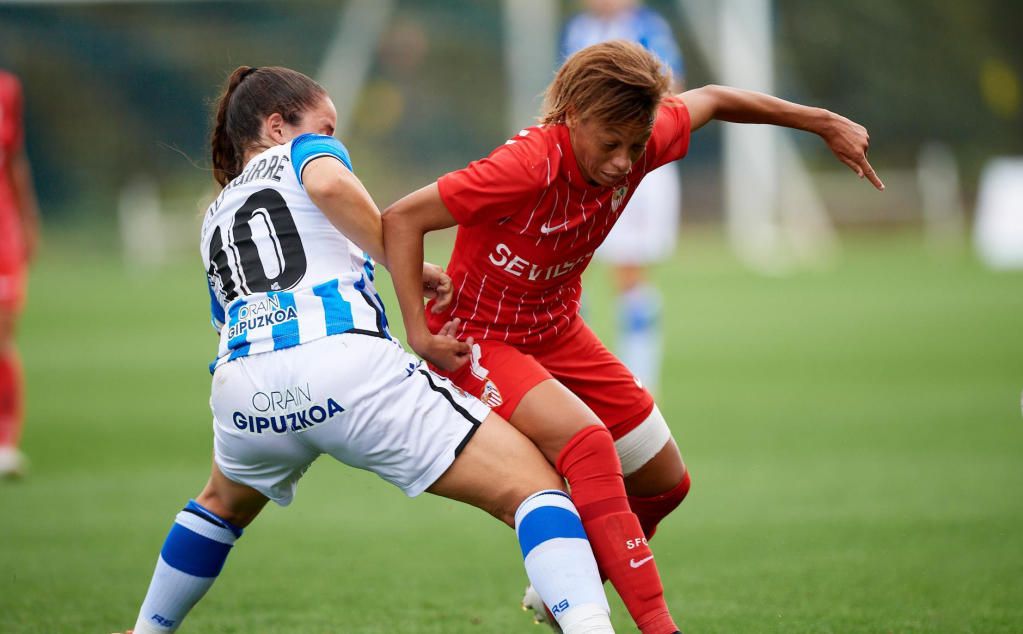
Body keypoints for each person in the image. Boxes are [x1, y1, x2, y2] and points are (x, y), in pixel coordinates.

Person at [382, 40, 883, 634]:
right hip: (481, 337)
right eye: (610, 144)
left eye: (636, 145)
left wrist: (822, 122)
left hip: (557, 328)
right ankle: (657, 626)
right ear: (573, 117)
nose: (624, 161)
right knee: (589, 444)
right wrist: (420, 332)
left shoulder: (639, 139)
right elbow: (401, 219)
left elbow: (716, 99)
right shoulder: (526, 166)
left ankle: (568, 583)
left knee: (666, 482)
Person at [123, 66, 617, 634]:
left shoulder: (214, 215)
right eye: (326, 126)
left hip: (243, 387)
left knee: (219, 503)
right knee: (536, 487)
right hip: (343, 366)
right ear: (278, 127)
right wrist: (399, 259)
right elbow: (330, 185)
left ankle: (147, 630)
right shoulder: (304, 153)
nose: (333, 138)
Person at [561, 0, 686, 394]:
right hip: (583, 168)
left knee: (629, 272)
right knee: (566, 271)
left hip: (637, 168)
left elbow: (672, 91)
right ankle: (576, 373)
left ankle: (638, 383)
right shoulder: (577, 31)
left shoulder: (647, 29)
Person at [0, 70, 40, 479]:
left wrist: (28, 218)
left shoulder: (8, 89)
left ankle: (5, 442)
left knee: (3, 335)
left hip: (2, 233)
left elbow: (14, 158)